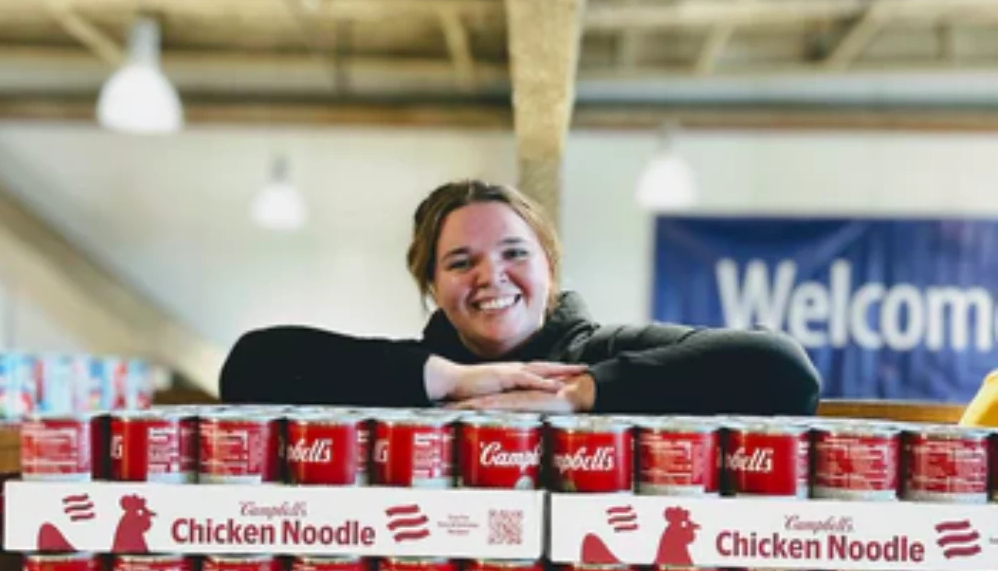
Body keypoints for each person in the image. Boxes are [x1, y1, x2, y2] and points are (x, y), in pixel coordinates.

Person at [220, 180, 821, 416]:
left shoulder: (604, 353)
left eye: (515, 254)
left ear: (549, 267)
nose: (491, 276)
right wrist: (457, 382)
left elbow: (786, 373)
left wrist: (576, 395)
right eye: (460, 262)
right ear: (432, 284)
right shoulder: (408, 378)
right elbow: (250, 367)